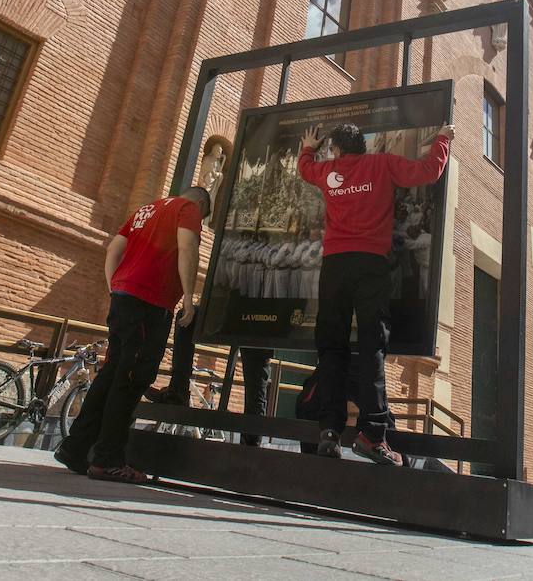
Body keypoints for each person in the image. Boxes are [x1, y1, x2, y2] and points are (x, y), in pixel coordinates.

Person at [297, 120, 454, 466]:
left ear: (336, 149)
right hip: (371, 265)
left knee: (332, 347)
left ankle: (329, 430)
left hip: (335, 266)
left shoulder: (328, 170)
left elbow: (305, 168)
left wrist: (308, 146)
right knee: (372, 347)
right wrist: (442, 139)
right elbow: (429, 172)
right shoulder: (381, 164)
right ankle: (372, 435)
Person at [54, 185, 210, 483]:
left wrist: (115, 285)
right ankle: (108, 460)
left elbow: (114, 248)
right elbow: (188, 247)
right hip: (149, 303)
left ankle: (75, 448)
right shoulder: (187, 209)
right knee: (131, 377)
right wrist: (188, 298)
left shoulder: (146, 209)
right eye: (204, 217)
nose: (200, 222)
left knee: (113, 372)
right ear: (201, 203)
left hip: (125, 297)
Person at [146, 315, 273, 446]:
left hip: (259, 320)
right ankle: (178, 392)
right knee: (186, 316)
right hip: (239, 314)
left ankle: (250, 447)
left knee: (256, 381)